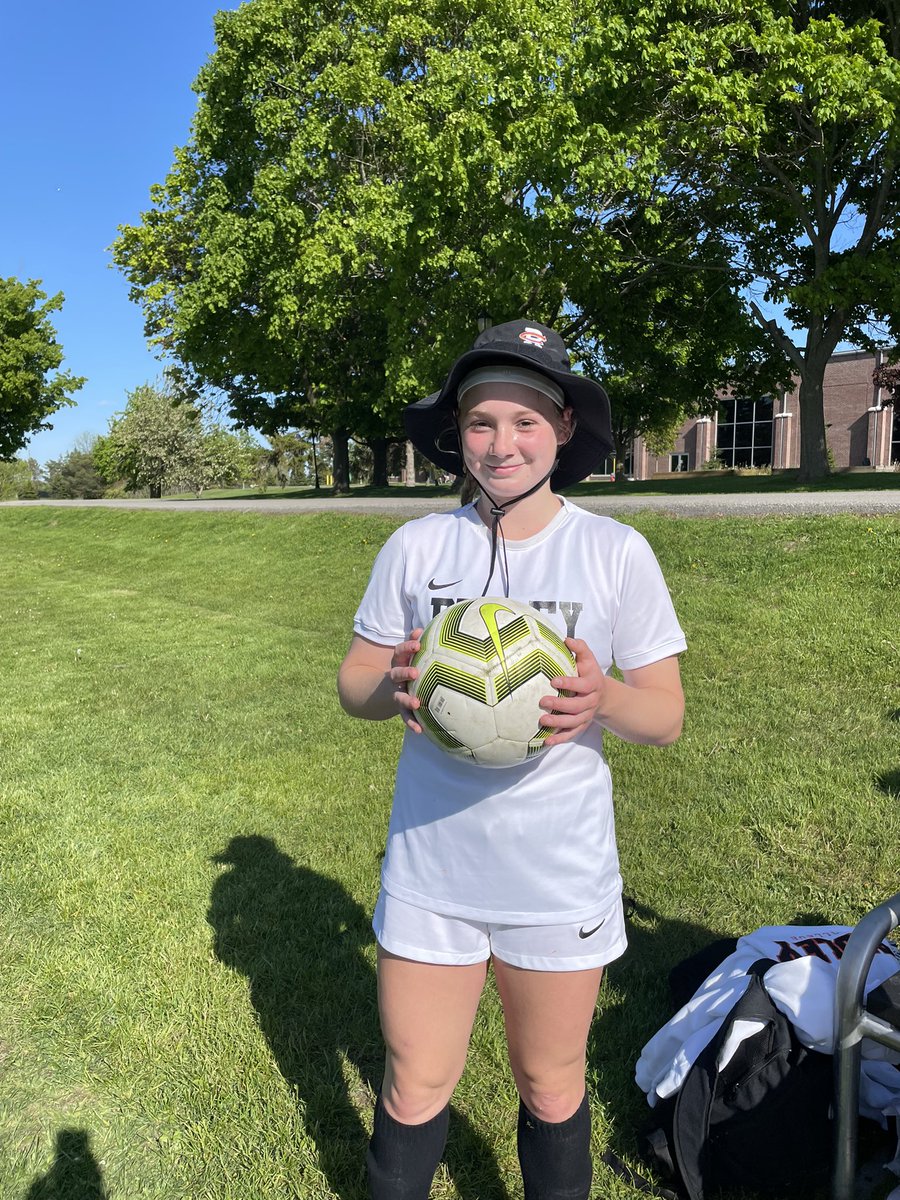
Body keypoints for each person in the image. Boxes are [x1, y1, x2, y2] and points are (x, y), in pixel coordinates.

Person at [337, 319, 687, 1200]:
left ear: (564, 427)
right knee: (415, 1082)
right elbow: (354, 684)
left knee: (550, 1083)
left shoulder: (613, 551)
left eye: (526, 421)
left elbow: (666, 716)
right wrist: (398, 688)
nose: (502, 444)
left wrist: (604, 699)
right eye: (481, 423)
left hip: (557, 874)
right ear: (457, 434)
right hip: (432, 867)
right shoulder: (419, 546)